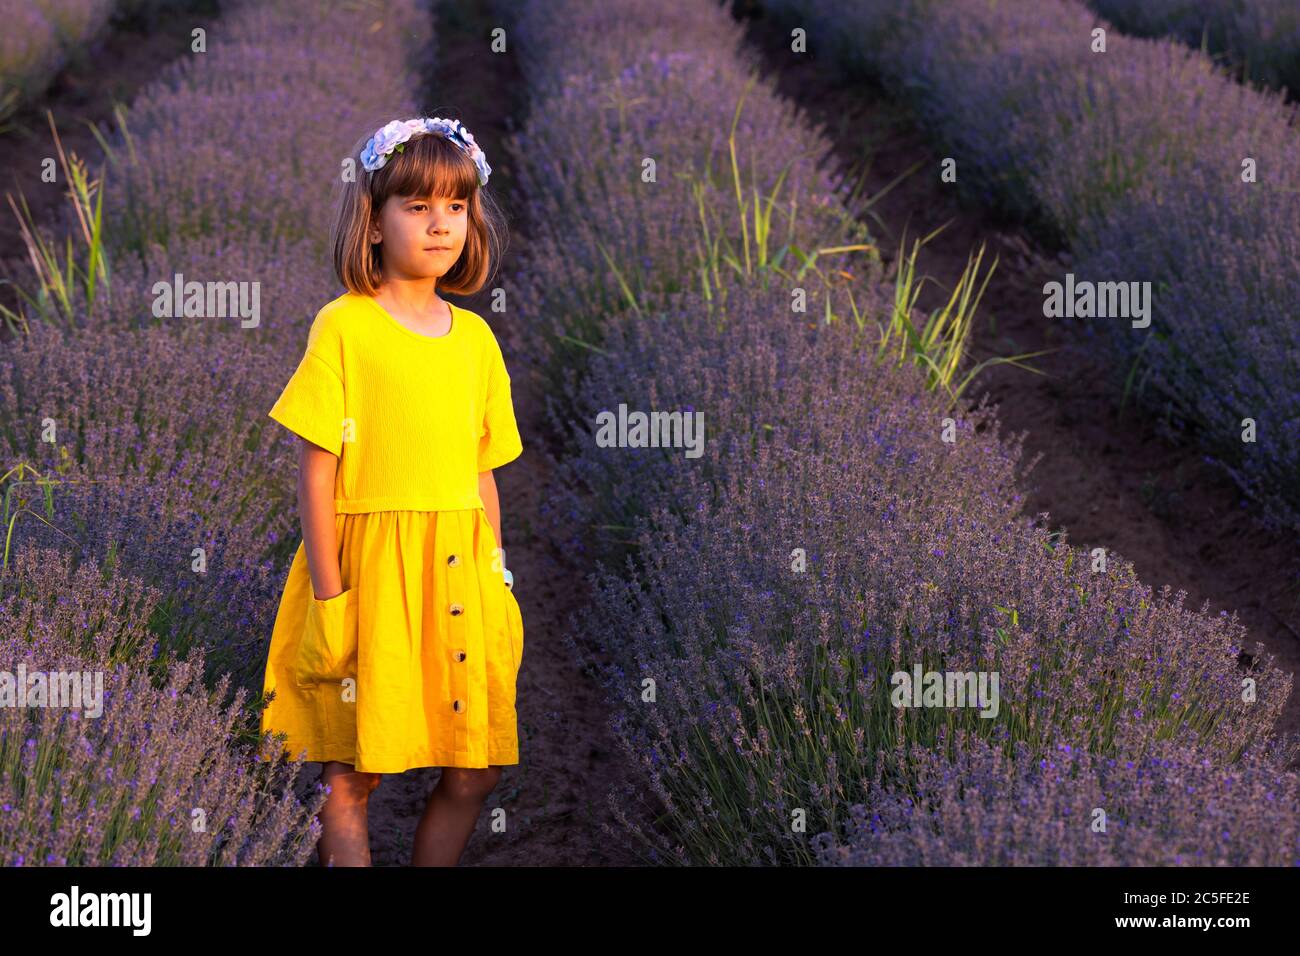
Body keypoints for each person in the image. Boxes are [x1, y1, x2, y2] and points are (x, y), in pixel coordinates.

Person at [259, 116, 523, 866]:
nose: (440, 224)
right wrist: (330, 594)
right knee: (349, 774)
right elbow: (317, 472)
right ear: (373, 223)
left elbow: (482, 470)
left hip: (460, 575)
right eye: (417, 207)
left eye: (456, 207)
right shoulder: (345, 327)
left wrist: (497, 575)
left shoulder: (475, 340)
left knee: (476, 764)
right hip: (369, 574)